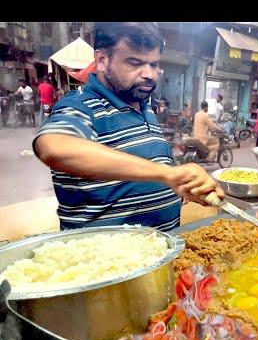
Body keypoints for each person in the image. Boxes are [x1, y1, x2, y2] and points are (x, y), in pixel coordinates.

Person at [33, 22, 224, 231]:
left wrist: (182, 186)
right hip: (107, 259)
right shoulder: (80, 105)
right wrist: (165, 174)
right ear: (102, 60)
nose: (149, 74)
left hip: (161, 251)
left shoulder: (144, 107)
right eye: (135, 63)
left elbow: (141, 176)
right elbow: (54, 148)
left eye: (154, 64)